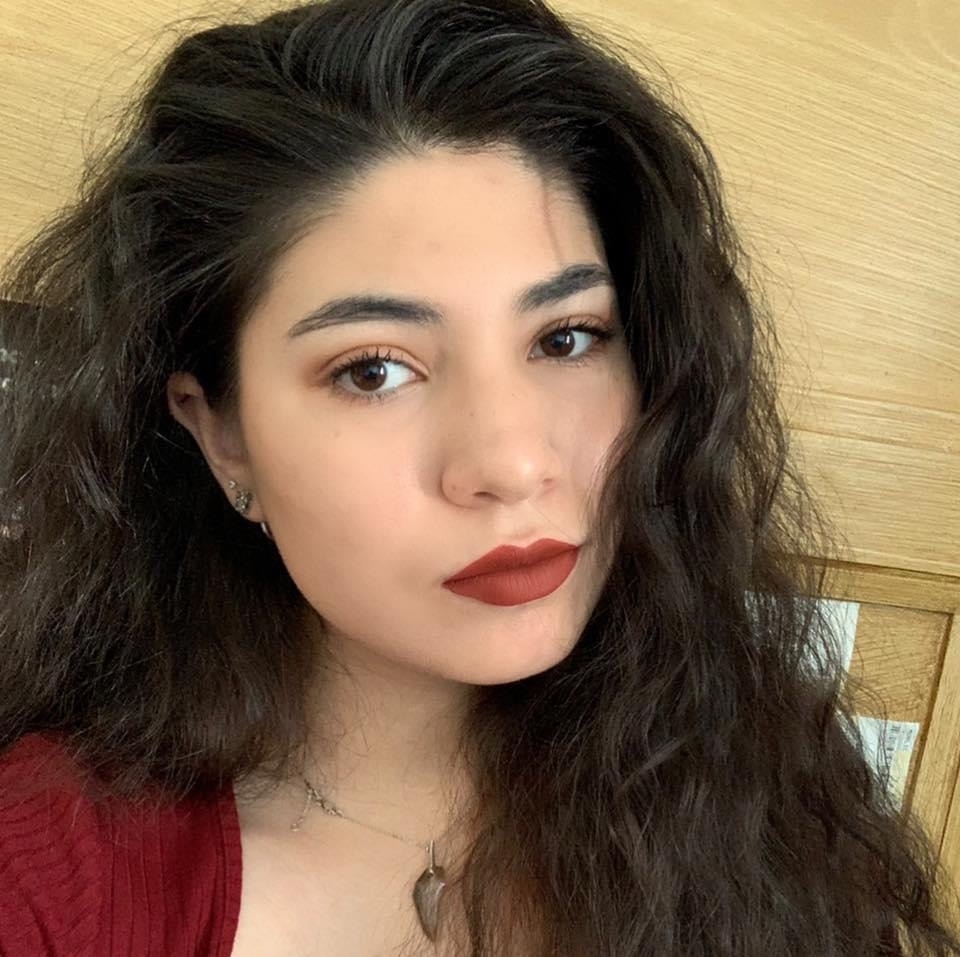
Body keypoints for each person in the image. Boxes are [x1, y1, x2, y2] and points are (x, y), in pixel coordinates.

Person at [0, 0, 955, 953]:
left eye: (567, 338)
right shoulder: (50, 878)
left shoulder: (755, 792)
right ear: (222, 435)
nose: (513, 463)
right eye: (374, 370)